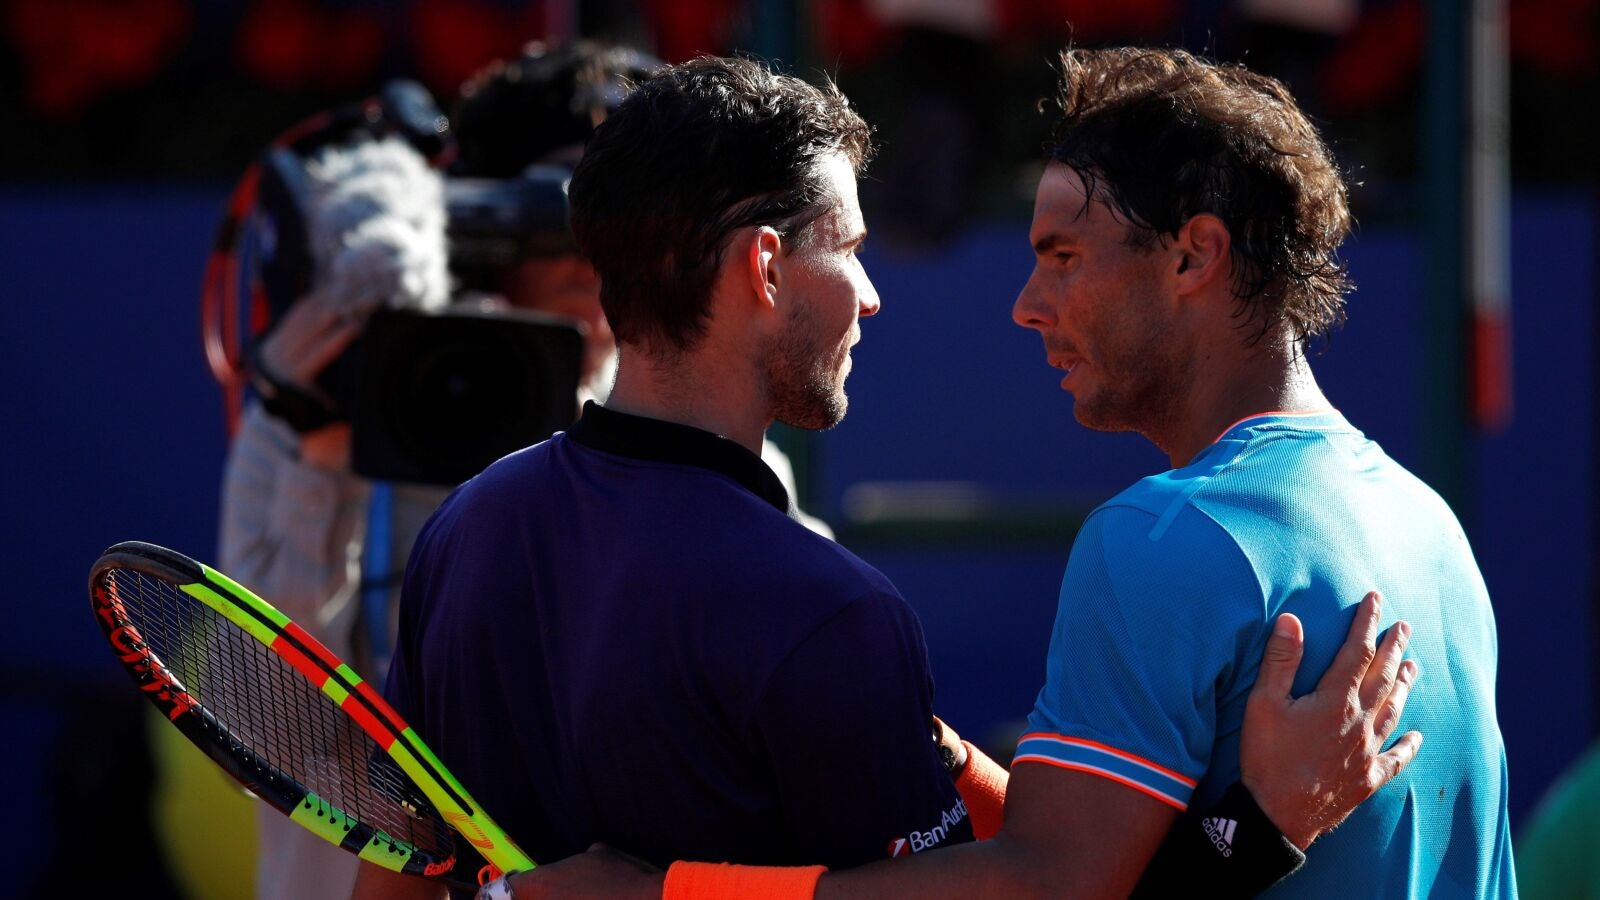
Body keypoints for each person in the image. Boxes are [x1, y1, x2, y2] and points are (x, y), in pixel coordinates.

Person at [356, 56, 1423, 900]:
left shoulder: (465, 531)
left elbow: (394, 879)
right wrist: (1254, 831)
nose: (870, 296)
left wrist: (941, 756)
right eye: (850, 249)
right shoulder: (828, 612)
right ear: (764, 268)